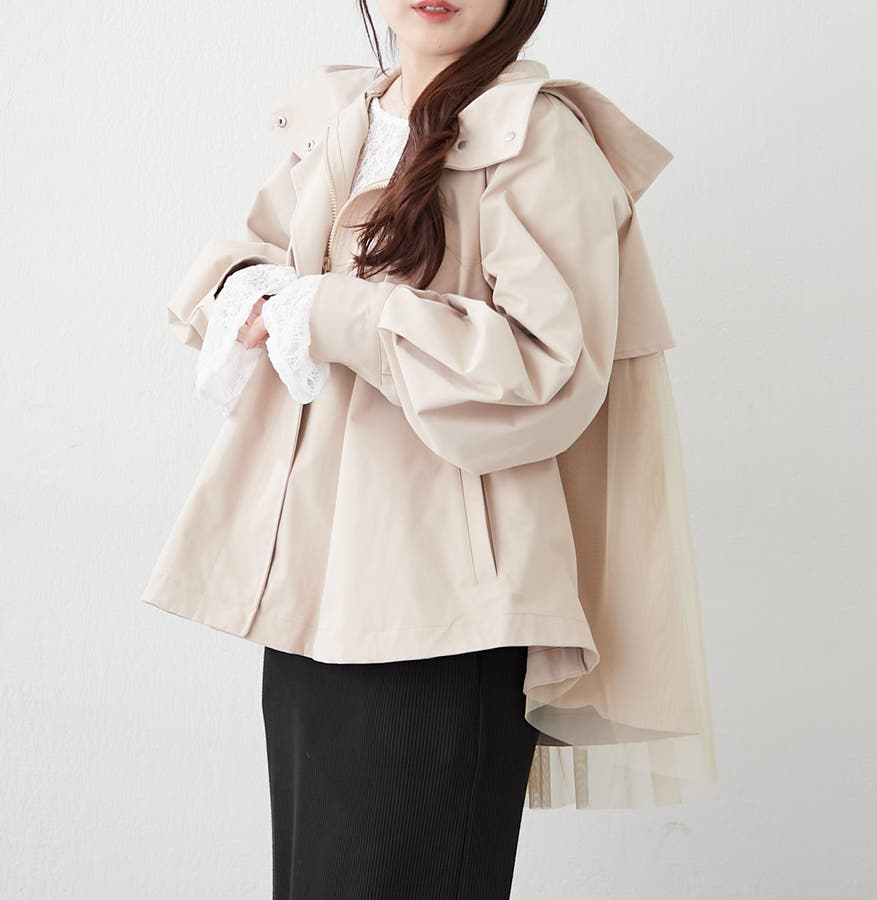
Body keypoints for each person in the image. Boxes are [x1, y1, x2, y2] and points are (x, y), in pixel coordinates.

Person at [141, 1, 718, 897]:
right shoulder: (346, 119)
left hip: (446, 607)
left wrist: (331, 310)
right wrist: (250, 290)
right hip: (317, 595)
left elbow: (546, 369)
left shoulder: (536, 137)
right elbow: (251, 263)